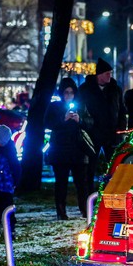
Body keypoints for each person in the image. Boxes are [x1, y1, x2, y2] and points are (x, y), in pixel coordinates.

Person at [78, 58, 127, 196]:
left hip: (112, 133)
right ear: (99, 75)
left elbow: (122, 110)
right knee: (90, 167)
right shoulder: (85, 89)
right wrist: (86, 124)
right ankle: (89, 195)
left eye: (110, 73)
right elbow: (80, 109)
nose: (109, 76)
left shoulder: (115, 89)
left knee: (114, 165)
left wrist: (121, 127)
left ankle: (113, 192)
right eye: (107, 74)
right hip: (92, 133)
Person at [46, 77, 92, 220]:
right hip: (60, 150)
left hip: (78, 149)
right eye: (66, 92)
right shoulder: (54, 107)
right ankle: (61, 211)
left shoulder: (81, 106)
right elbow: (48, 123)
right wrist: (63, 119)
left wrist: (81, 121)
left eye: (71, 93)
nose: (68, 95)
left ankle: (85, 209)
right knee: (61, 182)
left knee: (81, 183)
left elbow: (90, 123)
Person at [0, 124, 21, 239]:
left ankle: (11, 228)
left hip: (6, 186)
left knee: (7, 206)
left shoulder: (9, 154)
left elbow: (16, 168)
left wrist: (15, 182)